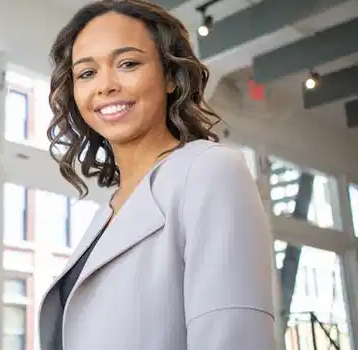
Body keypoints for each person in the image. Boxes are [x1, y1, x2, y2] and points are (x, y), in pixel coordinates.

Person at [37, 1, 277, 349]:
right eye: (87, 73)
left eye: (128, 64)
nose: (105, 86)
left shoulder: (210, 170)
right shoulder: (113, 207)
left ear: (169, 76)